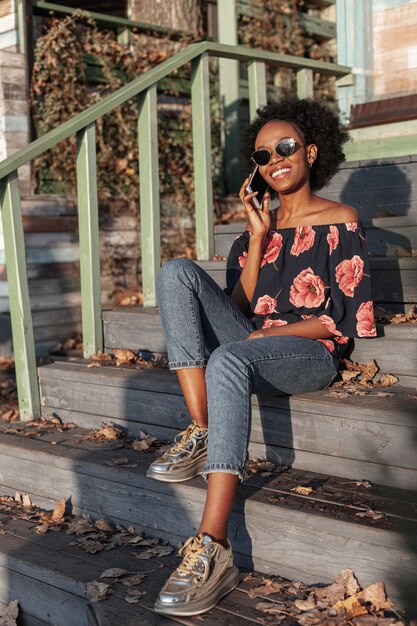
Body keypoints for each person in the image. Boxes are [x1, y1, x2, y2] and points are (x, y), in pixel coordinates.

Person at [146, 97, 377, 617]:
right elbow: (234, 311)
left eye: (287, 147)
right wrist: (256, 238)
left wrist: (254, 340)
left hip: (307, 352)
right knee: (175, 272)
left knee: (228, 357)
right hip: (251, 346)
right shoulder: (258, 230)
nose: (276, 158)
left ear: (312, 152)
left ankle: (213, 545)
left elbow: (337, 322)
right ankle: (204, 429)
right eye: (263, 153)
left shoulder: (341, 220)